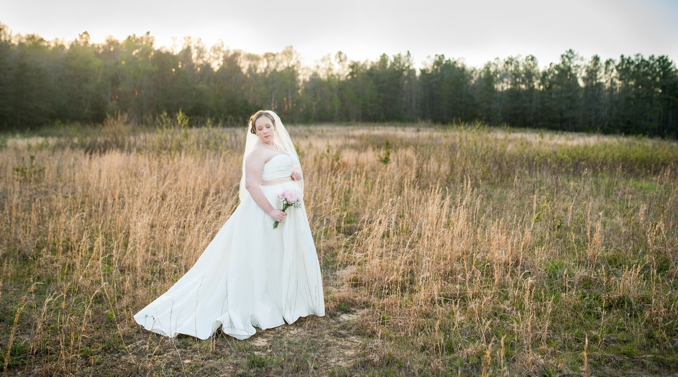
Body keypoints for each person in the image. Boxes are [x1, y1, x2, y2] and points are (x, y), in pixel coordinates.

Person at [134, 110, 325, 340]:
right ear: (254, 131)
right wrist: (271, 210)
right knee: (262, 255)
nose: (265, 131)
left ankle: (287, 299)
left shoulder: (279, 147)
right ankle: (260, 302)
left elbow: (292, 169)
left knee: (280, 253)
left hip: (288, 209)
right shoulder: (256, 153)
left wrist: (294, 174)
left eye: (268, 126)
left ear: (275, 126)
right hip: (266, 211)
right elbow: (252, 186)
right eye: (260, 128)